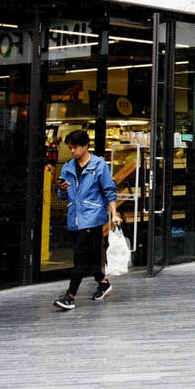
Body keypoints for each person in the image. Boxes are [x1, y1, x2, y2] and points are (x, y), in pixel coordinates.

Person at [52, 129, 120, 311]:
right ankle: (103, 283)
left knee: (80, 257)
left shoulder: (99, 165)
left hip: (93, 217)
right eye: (70, 148)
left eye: (75, 147)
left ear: (85, 146)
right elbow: (62, 195)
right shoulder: (67, 167)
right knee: (90, 256)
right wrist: (63, 189)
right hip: (74, 217)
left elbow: (109, 190)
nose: (72, 151)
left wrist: (114, 213)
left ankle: (70, 296)